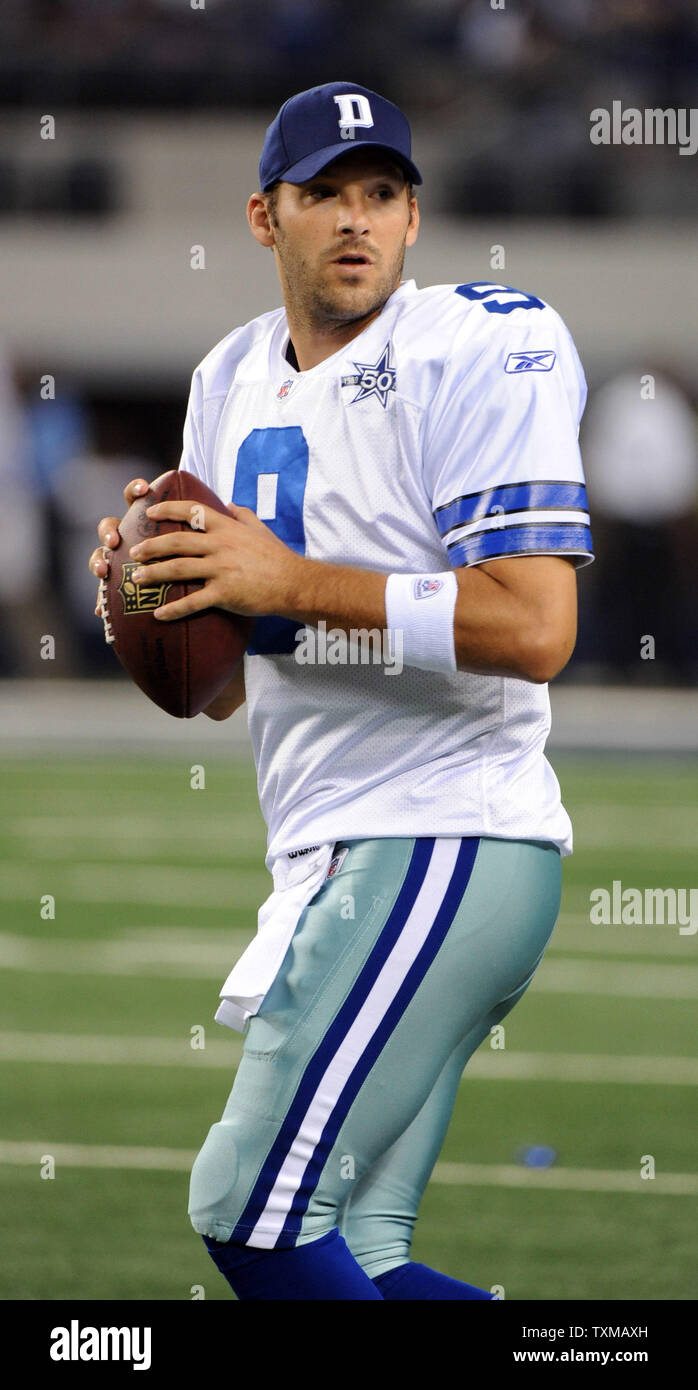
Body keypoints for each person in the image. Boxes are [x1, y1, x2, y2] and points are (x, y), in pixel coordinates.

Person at [89, 81, 593, 1301]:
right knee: (355, 1252)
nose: (357, 220)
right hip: (332, 845)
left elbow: (535, 629)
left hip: (443, 830)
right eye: (324, 195)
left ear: (414, 219)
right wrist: (144, 596)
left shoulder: (477, 342)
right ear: (265, 219)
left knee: (249, 1212)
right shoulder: (225, 378)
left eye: (383, 194)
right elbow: (213, 691)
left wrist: (292, 577)